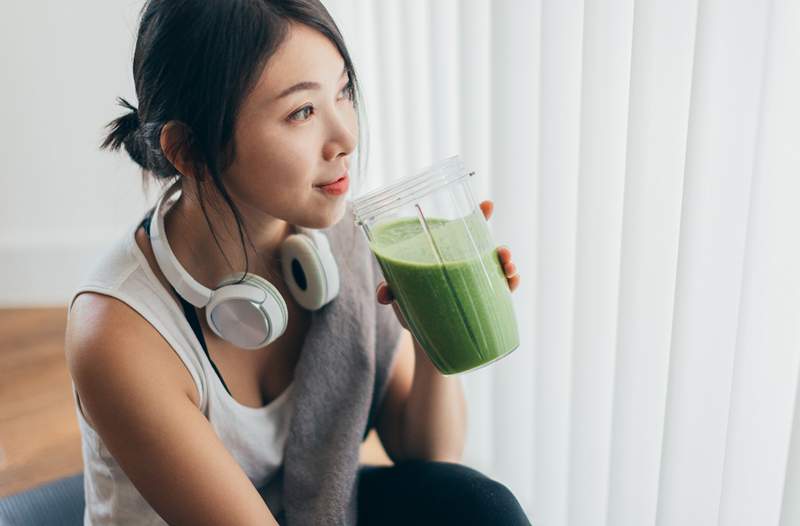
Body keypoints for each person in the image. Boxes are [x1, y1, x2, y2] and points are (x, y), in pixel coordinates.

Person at [64, 1, 528, 525]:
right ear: (189, 150)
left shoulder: (344, 242)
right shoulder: (118, 332)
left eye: (343, 92)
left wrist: (429, 321)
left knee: (481, 507)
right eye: (302, 112)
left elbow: (431, 457)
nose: (346, 139)